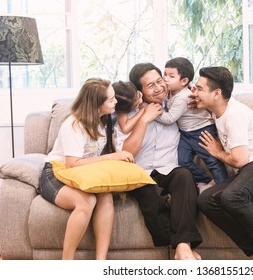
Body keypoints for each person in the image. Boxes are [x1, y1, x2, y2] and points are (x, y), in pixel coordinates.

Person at [189, 66, 253, 260]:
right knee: (206, 200)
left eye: (200, 88)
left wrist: (219, 153)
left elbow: (240, 160)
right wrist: (197, 100)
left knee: (232, 196)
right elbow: (193, 101)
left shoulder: (234, 114)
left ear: (217, 93)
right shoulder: (218, 109)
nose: (195, 92)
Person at [39, 78, 134, 260]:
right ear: (97, 104)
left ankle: (101, 262)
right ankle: (67, 262)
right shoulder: (74, 125)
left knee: (106, 196)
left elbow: (109, 151)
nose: (115, 102)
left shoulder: (105, 120)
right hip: (56, 174)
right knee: (87, 202)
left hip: (84, 174)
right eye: (111, 99)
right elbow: (72, 164)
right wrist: (112, 157)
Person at [117, 62, 203, 260]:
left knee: (185, 176)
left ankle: (183, 246)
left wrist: (192, 89)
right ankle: (181, 246)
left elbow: (195, 84)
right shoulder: (129, 115)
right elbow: (126, 154)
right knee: (151, 197)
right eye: (150, 86)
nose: (158, 88)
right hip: (141, 172)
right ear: (139, 92)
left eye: (160, 81)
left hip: (170, 169)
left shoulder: (177, 105)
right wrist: (144, 119)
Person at [156, 57, 228, 191]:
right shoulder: (170, 92)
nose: (165, 79)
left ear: (184, 81)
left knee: (212, 161)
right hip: (185, 133)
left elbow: (169, 118)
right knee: (181, 160)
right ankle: (204, 179)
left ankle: (222, 187)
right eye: (164, 74)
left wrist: (154, 113)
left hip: (202, 130)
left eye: (171, 76)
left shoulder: (184, 97)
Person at [111, 80, 146, 150]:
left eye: (138, 95)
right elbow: (125, 128)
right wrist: (143, 111)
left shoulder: (135, 93)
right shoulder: (121, 112)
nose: (140, 101)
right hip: (121, 145)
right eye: (135, 104)